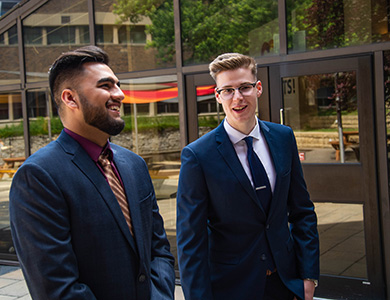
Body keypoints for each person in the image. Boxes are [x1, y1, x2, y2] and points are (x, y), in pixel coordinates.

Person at [9, 46, 175, 300]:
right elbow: (56, 288)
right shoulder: (38, 176)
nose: (119, 94)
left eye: (117, 85)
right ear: (70, 98)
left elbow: (159, 249)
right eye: (106, 86)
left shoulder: (134, 165)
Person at [176, 53, 319, 300]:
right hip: (232, 288)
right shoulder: (198, 155)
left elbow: (302, 211)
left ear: (258, 88)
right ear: (217, 95)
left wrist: (308, 277)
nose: (238, 97)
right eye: (228, 90)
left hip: (286, 284)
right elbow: (191, 241)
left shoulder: (284, 137)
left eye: (244, 87)